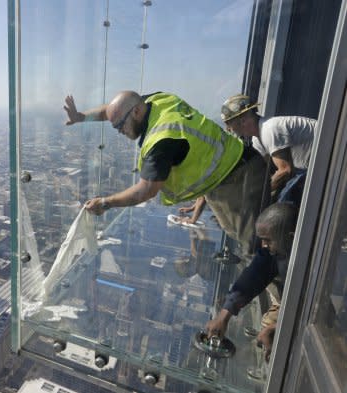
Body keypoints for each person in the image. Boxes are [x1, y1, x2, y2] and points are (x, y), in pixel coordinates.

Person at [64, 91, 269, 257]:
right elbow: (112, 111)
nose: (118, 131)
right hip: (235, 168)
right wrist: (81, 117)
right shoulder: (157, 101)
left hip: (237, 181)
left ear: (136, 112)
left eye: (119, 126)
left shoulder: (160, 141)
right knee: (258, 238)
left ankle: (284, 293)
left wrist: (105, 203)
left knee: (261, 245)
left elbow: (144, 191)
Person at [205, 203, 298, 361]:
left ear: (291, 237)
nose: (264, 246)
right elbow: (256, 272)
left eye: (268, 240)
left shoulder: (321, 265)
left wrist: (280, 327)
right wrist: (224, 314)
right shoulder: (279, 251)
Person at [221, 94, 316, 204]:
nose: (228, 128)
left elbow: (285, 170)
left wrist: (257, 195)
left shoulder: (270, 129)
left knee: (284, 204)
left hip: (325, 163)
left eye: (228, 123)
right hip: (308, 169)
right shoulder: (258, 139)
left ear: (242, 120)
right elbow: (263, 173)